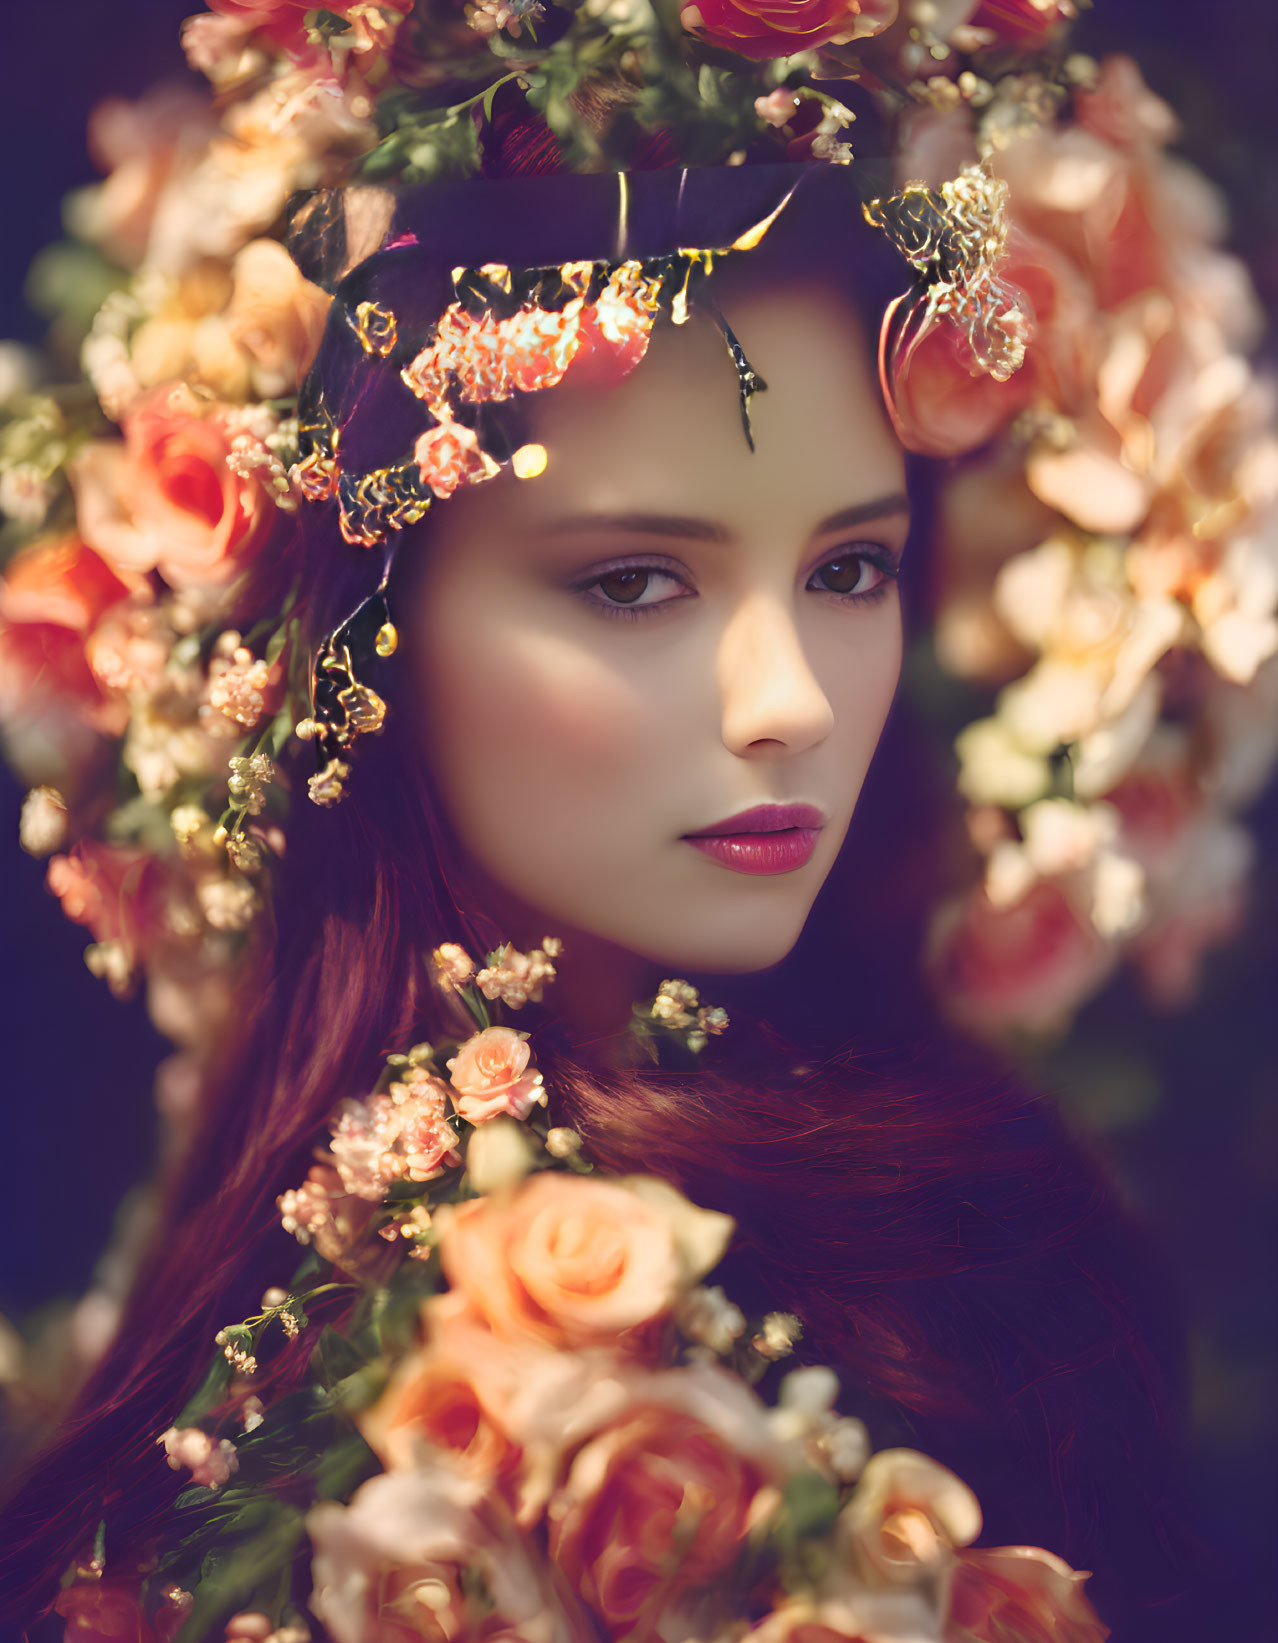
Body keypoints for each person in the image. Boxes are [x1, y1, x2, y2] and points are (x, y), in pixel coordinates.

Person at [0, 150, 1193, 1640]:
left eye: (848, 570)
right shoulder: (259, 1366)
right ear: (370, 639)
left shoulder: (979, 1245)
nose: (789, 707)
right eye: (634, 583)